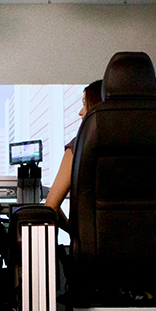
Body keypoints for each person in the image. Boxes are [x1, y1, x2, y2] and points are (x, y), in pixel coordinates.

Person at [44, 79, 104, 232]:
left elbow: (51, 206)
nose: (80, 112)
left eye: (85, 104)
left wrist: (74, 231)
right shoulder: (152, 142)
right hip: (155, 249)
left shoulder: (80, 144)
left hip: (92, 250)